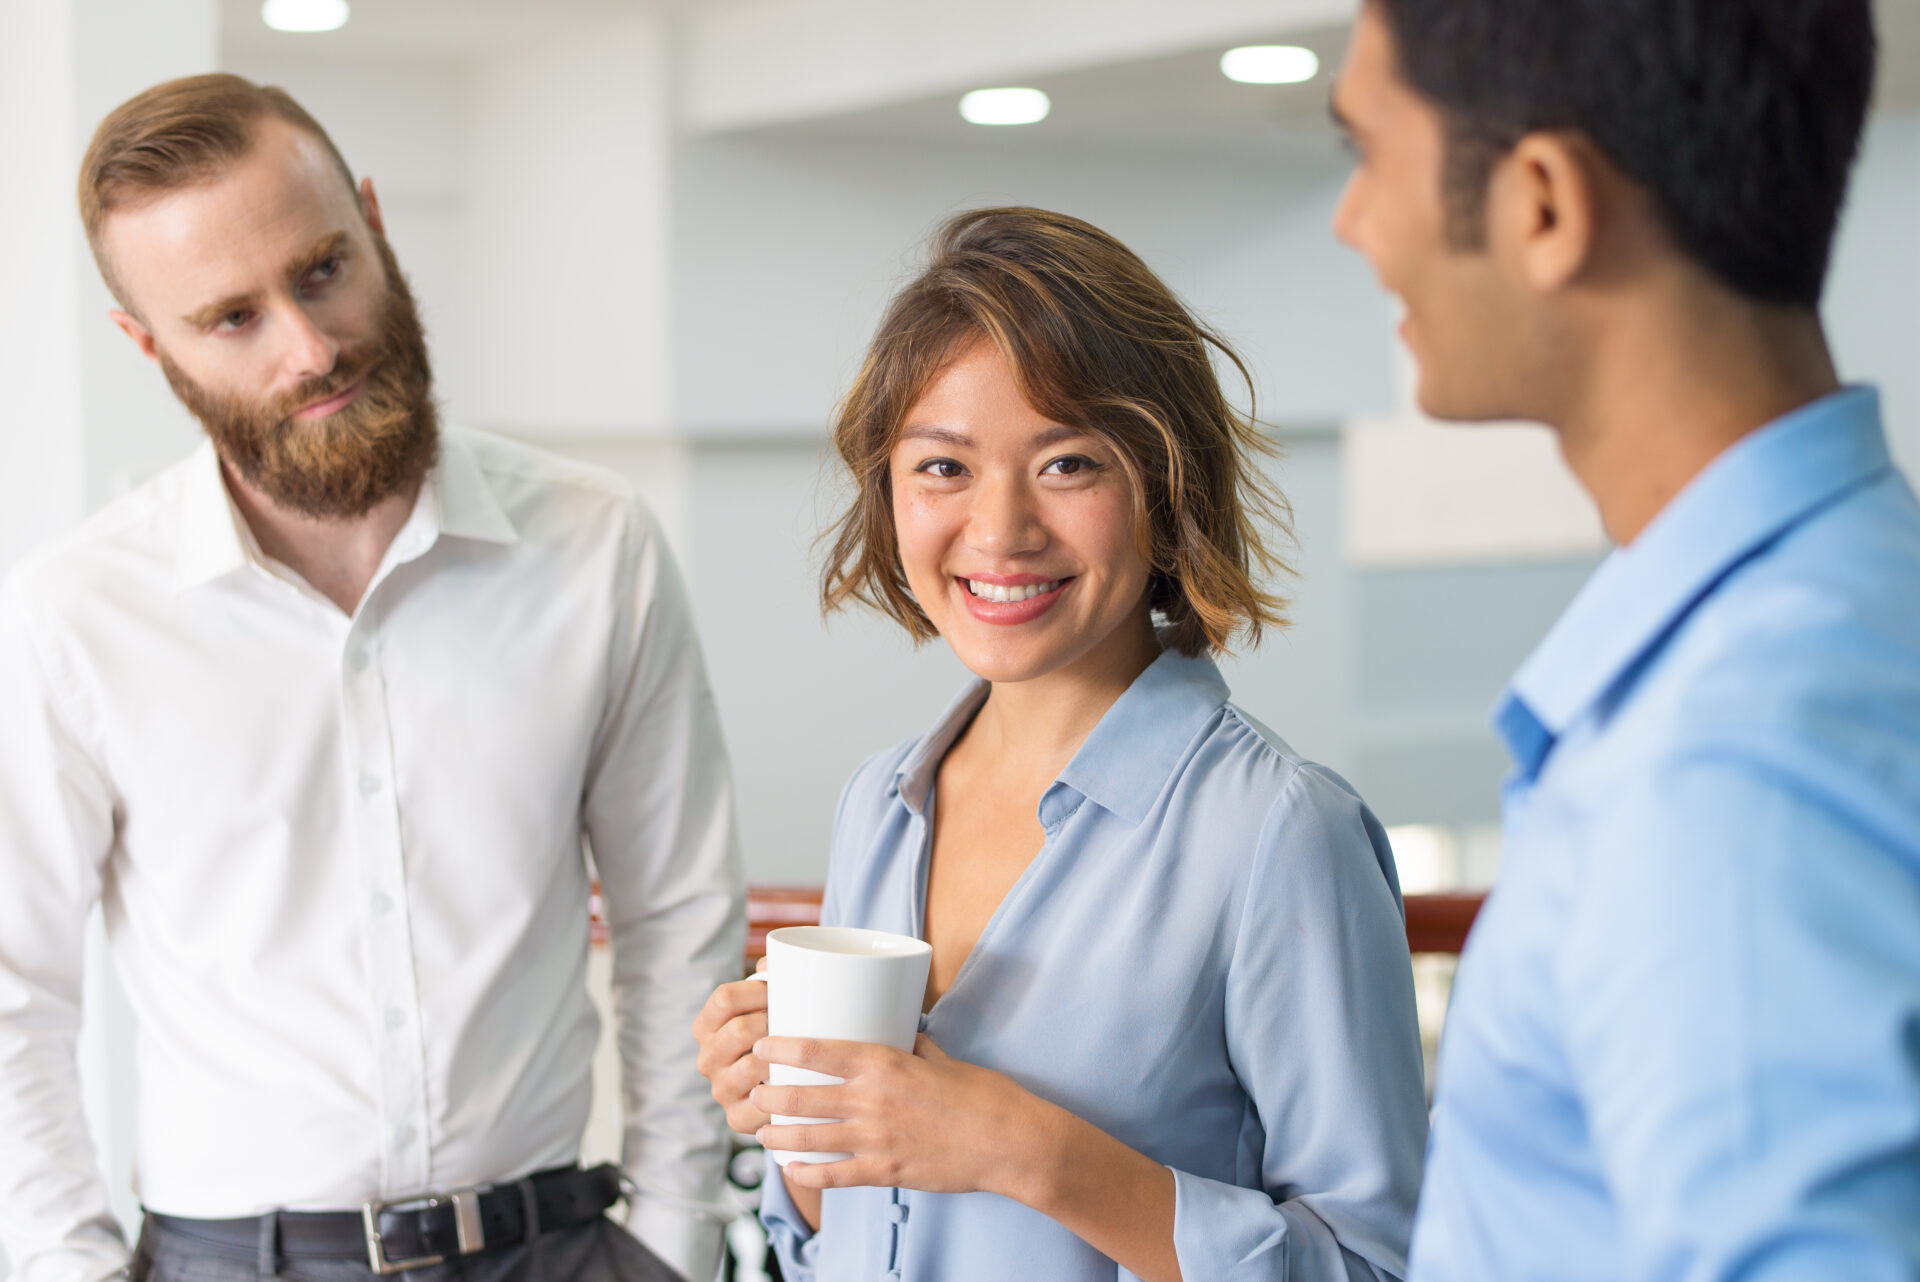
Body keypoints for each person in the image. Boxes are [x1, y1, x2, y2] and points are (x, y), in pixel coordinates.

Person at [0, 75, 742, 1282]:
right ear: (149, 345)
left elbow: (678, 917)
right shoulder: (74, 613)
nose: (311, 347)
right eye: (231, 318)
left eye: (321, 270)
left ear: (378, 225)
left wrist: (673, 1238)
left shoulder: (598, 547)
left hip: (559, 1250)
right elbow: (12, 989)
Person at [693, 206, 1429, 1282]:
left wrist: (1024, 1150)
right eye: (943, 467)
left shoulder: (1278, 832)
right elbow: (839, 1234)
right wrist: (793, 1114)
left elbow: (1380, 1265)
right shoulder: (879, 804)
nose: (1000, 532)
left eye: (1069, 463)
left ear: (1166, 485)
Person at [1330, 1, 1920, 1277]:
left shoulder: (1730, 752)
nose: (1352, 222)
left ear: (1543, 205)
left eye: (1368, 153)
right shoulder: (1856, 601)